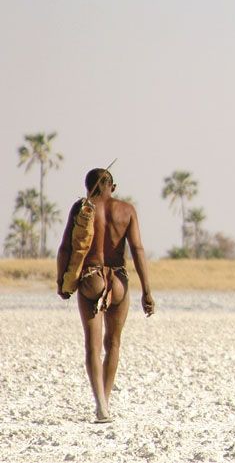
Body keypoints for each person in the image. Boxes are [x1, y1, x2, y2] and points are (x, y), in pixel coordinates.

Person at [56, 168, 155, 423]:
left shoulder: (83, 207)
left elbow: (66, 247)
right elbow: (138, 249)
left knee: (92, 345)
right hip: (119, 280)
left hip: (92, 279)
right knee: (113, 344)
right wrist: (147, 291)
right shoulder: (127, 210)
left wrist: (61, 282)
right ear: (113, 186)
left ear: (88, 187)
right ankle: (107, 402)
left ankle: (100, 404)